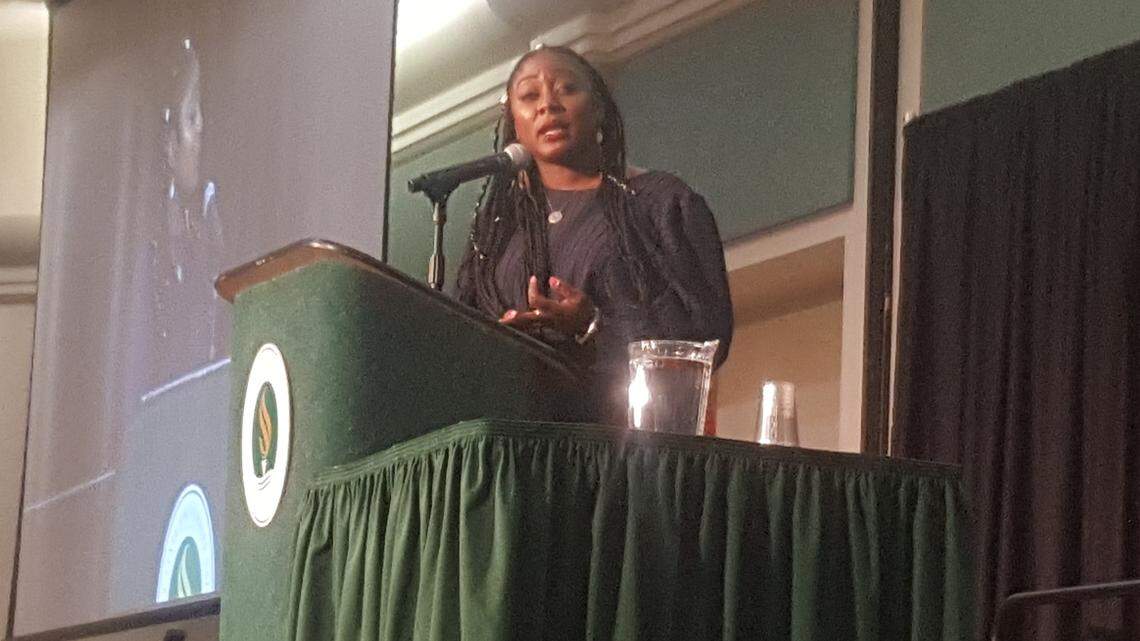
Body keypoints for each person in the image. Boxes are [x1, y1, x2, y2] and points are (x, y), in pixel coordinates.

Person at [456, 45, 733, 423]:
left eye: (567, 89)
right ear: (514, 124)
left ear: (599, 108)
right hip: (521, 447)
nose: (548, 105)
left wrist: (593, 327)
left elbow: (704, 338)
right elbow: (459, 338)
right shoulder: (497, 232)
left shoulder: (657, 203)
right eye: (529, 96)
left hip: (624, 449)